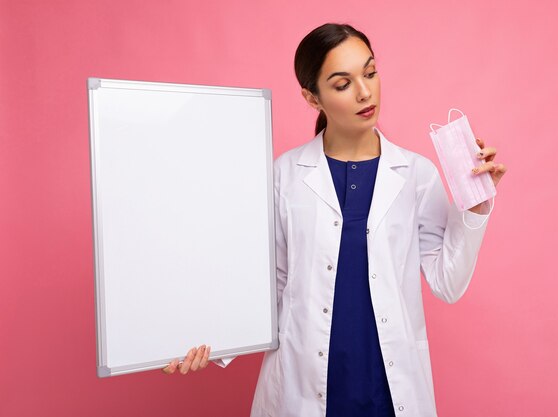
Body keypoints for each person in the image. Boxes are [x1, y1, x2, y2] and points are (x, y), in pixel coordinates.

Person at [163, 22, 507, 417]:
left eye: (371, 73)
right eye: (343, 84)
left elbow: (448, 283)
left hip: (388, 389)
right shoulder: (285, 175)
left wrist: (476, 205)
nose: (365, 92)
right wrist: (208, 344)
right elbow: (269, 285)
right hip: (303, 384)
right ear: (312, 97)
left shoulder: (415, 173)